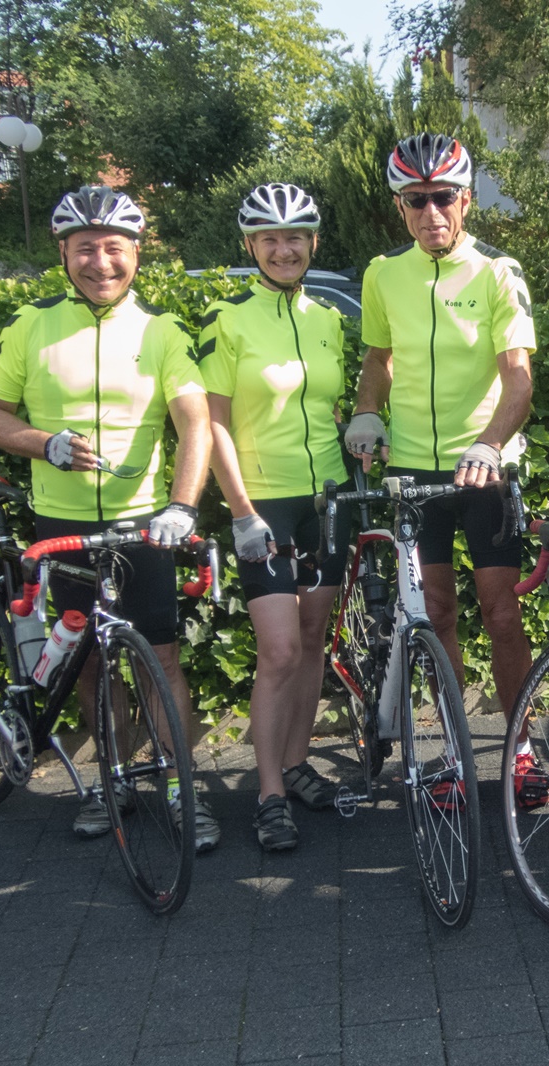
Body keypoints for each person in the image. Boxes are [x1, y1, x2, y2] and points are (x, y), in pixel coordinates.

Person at [0, 186, 218, 851]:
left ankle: (179, 787)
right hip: (63, 526)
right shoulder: (31, 325)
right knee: (89, 665)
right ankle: (113, 782)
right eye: (85, 248)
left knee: (161, 659)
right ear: (63, 254)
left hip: (142, 525)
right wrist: (42, 443)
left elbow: (195, 422)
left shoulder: (163, 329)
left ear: (136, 253)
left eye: (114, 247)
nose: (100, 262)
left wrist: (182, 505)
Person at [344, 133, 535, 738]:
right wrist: (366, 409)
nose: (431, 212)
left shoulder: (497, 271)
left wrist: (489, 444)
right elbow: (379, 357)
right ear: (400, 205)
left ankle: (520, 744)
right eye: (416, 199)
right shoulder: (383, 274)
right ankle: (455, 745)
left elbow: (520, 380)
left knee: (502, 613)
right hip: (412, 469)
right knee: (436, 612)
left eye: (444, 197)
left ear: (466, 199)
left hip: (483, 468)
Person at [198, 183, 349, 852]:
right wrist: (241, 510)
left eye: (294, 238)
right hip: (264, 503)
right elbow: (212, 422)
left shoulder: (328, 318)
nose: (283, 249)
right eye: (269, 239)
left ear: (312, 243)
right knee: (280, 650)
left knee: (313, 642)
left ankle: (294, 763)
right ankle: (268, 795)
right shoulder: (225, 318)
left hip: (327, 500)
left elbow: (329, 407)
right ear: (251, 245)